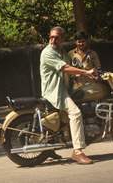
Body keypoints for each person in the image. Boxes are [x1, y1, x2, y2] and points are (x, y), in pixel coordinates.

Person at [40, 26, 96, 164]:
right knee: (75, 113)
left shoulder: (62, 52)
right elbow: (65, 68)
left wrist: (90, 74)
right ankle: (77, 151)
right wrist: (86, 73)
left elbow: (71, 67)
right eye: (51, 37)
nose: (53, 40)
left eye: (57, 37)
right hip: (55, 91)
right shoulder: (48, 52)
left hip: (64, 88)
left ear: (62, 39)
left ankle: (50, 147)